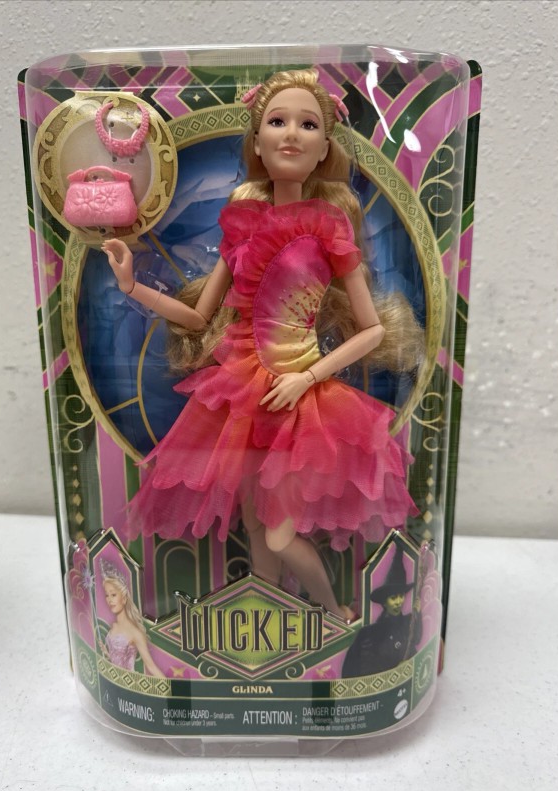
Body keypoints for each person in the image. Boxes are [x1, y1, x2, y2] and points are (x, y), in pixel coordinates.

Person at [101, 69, 424, 621]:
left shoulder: (328, 226)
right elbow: (199, 316)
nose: (291, 134)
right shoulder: (243, 223)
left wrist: (309, 376)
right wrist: (133, 287)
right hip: (241, 389)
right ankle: (270, 609)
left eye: (308, 125)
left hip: (303, 396)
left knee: (278, 533)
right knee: (255, 524)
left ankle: (335, 610)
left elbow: (371, 330)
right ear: (256, 142)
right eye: (277, 121)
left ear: (325, 148)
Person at [341, 548, 422, 677]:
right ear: (384, 602)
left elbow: (416, 640)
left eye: (401, 596)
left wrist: (418, 613)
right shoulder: (369, 634)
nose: (398, 602)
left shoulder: (409, 621)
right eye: (393, 598)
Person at [99, 559, 165, 678]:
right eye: (107, 595)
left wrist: (170, 687)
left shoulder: (135, 632)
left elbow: (151, 666)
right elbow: (117, 659)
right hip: (114, 681)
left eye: (113, 595)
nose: (109, 600)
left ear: (124, 598)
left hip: (127, 681)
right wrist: (106, 653)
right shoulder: (114, 626)